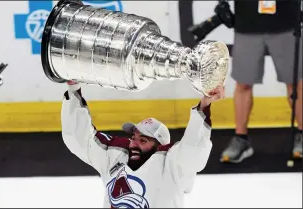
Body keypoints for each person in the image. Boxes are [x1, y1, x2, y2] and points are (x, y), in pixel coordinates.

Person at [61, 80, 224, 208]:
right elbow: (80, 138)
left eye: (143, 140)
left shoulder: (171, 165)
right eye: (133, 137)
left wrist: (204, 105)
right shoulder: (116, 155)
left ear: (159, 146)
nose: (134, 144)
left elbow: (192, 150)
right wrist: (73, 87)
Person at [220, 0, 302, 163]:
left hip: (285, 23)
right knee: (243, 84)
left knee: (295, 84)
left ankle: (301, 134)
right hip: (247, 24)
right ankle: (241, 138)